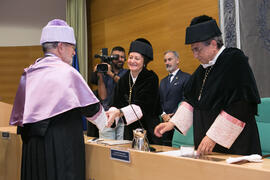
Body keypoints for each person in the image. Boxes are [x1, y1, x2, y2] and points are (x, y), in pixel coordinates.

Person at [9, 19, 107, 180]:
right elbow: (91, 109)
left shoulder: (28, 73)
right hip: (61, 146)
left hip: (32, 146)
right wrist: (106, 120)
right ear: (61, 47)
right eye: (72, 48)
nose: (74, 53)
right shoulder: (66, 72)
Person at [154, 15, 262, 156]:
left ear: (212, 44)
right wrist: (172, 124)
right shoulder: (202, 70)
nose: (195, 55)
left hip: (237, 146)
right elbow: (191, 101)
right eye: (193, 50)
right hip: (210, 146)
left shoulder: (235, 60)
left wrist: (213, 136)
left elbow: (241, 104)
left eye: (197, 49)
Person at [106, 38, 162, 144]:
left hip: (149, 129)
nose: (132, 61)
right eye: (131, 57)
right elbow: (116, 102)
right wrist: (111, 115)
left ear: (144, 61)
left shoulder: (151, 77)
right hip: (129, 131)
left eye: (137, 58)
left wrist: (120, 112)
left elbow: (143, 105)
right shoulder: (123, 79)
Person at [90, 46, 127, 140]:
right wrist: (100, 76)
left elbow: (124, 86)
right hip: (107, 115)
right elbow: (103, 97)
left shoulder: (127, 73)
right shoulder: (104, 74)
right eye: (116, 57)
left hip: (122, 116)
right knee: (107, 146)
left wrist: (110, 74)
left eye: (122, 57)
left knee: (122, 148)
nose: (120, 59)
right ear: (111, 57)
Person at [159, 50, 190, 146]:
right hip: (164, 122)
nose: (167, 63)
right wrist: (163, 114)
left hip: (179, 123)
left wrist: (173, 116)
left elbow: (186, 99)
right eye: (165, 61)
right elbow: (160, 101)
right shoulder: (163, 81)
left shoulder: (186, 77)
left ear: (177, 60)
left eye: (169, 59)